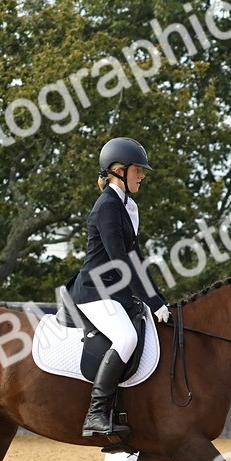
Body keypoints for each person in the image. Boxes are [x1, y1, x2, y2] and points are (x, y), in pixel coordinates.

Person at [67, 137, 171, 439]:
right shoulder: (107, 207)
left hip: (114, 290)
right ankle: (96, 414)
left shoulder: (127, 206)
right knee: (125, 337)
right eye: (138, 170)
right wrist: (149, 300)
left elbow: (136, 258)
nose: (142, 176)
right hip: (94, 291)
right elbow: (119, 261)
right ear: (118, 170)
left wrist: (158, 299)